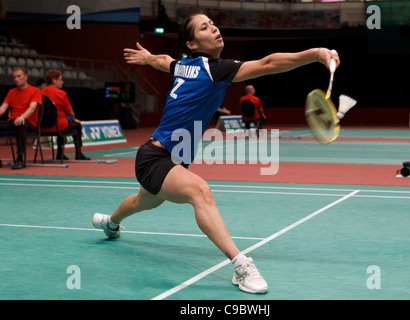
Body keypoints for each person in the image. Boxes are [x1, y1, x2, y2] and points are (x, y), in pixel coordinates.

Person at [92, 13, 340, 294]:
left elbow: (164, 61)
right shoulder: (215, 69)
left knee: (143, 201)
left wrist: (150, 58)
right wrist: (317, 54)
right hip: (155, 157)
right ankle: (241, 265)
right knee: (201, 192)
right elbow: (268, 64)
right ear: (192, 43)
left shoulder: (184, 65)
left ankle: (111, 224)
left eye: (212, 24)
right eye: (204, 27)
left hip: (175, 158)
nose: (214, 29)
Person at [41, 69, 90, 160]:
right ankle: (78, 154)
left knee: (62, 123)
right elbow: (70, 112)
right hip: (59, 126)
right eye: (60, 79)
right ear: (54, 80)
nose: (62, 82)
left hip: (43, 127)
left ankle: (60, 154)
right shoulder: (61, 93)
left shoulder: (40, 93)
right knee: (77, 125)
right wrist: (74, 119)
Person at [0, 67, 41, 169]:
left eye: (19, 76)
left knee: (20, 123)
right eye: (14, 77)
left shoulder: (35, 90)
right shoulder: (11, 92)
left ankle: (19, 159)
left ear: (26, 77)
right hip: (12, 121)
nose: (16, 79)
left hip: (28, 121)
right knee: (16, 122)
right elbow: (2, 108)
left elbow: (32, 108)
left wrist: (22, 116)